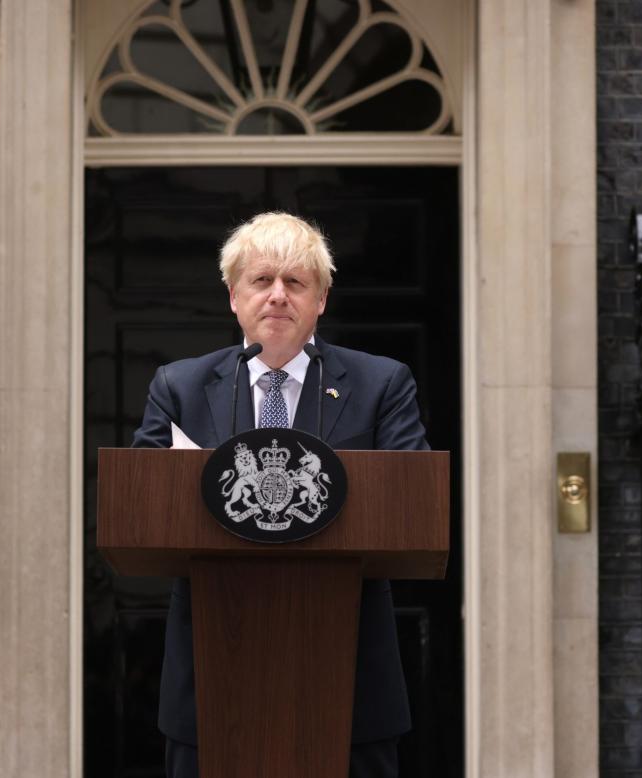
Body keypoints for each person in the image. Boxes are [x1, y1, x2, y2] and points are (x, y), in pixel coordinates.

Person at [132, 212, 429, 778]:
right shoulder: (179, 386)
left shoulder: (382, 383)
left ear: (320, 299)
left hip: (346, 664)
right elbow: (142, 505)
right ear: (233, 296)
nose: (277, 297)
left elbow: (411, 504)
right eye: (261, 280)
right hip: (214, 658)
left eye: (295, 282)